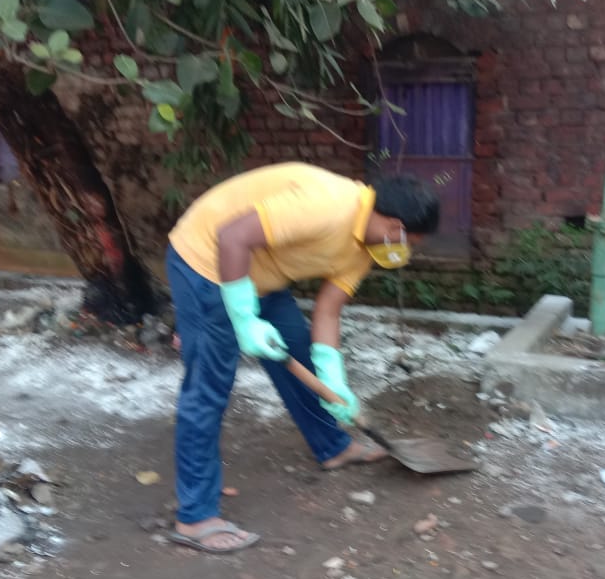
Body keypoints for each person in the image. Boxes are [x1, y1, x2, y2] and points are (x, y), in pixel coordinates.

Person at [164, 162, 440, 553]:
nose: (406, 251)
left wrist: (334, 380)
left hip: (260, 271)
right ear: (396, 226)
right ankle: (195, 517)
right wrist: (244, 319)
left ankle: (333, 446)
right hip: (206, 260)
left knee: (298, 352)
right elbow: (232, 237)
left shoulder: (366, 247)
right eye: (410, 241)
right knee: (209, 388)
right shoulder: (326, 206)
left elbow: (328, 311)